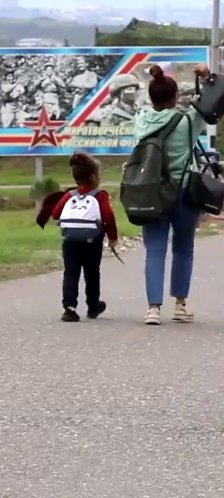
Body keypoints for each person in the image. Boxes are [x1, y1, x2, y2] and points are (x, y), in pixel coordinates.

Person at [134, 63, 211, 326]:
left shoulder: (141, 121)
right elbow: (210, 104)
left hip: (152, 192)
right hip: (184, 191)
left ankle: (153, 309)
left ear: (151, 97)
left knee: (154, 249)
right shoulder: (187, 121)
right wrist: (206, 78)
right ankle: (180, 305)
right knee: (183, 249)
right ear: (176, 96)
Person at [51, 152, 118, 322]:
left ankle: (69, 308)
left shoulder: (69, 195)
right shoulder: (100, 195)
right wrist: (112, 237)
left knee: (71, 272)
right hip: (92, 242)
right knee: (92, 272)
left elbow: (55, 214)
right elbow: (108, 217)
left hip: (70, 241)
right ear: (94, 176)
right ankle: (93, 306)